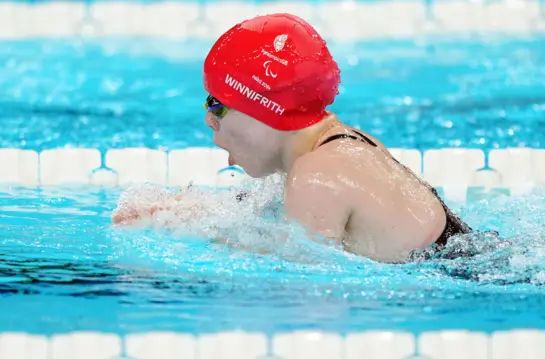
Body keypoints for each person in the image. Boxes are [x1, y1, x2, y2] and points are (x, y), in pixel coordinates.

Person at [112, 13, 472, 264]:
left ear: (263, 110)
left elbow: (303, 282)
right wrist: (184, 210)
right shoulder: (348, 144)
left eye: (217, 104)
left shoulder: (317, 177)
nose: (208, 119)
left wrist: (185, 234)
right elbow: (267, 220)